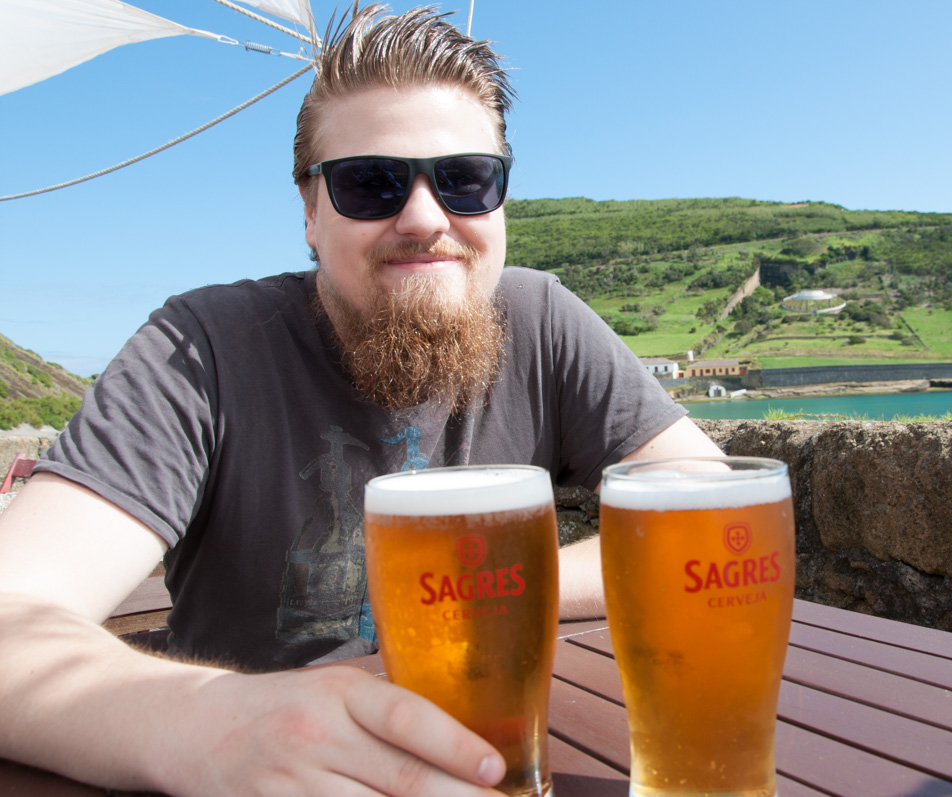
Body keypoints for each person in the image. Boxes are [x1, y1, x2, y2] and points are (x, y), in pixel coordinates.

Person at [0, 6, 723, 796]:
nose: (425, 217)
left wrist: (501, 586)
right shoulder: (202, 349)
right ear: (311, 212)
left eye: (466, 179)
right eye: (370, 183)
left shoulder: (541, 320)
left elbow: (711, 527)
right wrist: (211, 723)